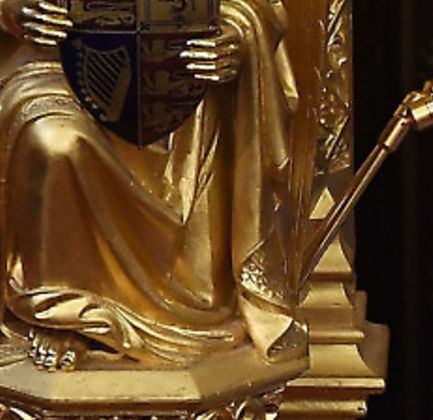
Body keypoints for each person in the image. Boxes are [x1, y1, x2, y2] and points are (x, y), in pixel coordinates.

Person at [0, 0, 301, 367]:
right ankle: (62, 306)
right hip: (57, 64)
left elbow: (261, 5)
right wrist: (13, 10)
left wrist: (236, 34)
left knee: (200, 116)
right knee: (52, 140)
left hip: (183, 80)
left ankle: (185, 299)